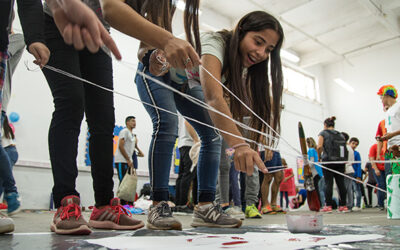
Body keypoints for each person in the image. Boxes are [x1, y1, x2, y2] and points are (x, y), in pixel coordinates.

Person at [42, 0, 144, 235]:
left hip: (97, 32)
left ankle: (105, 205)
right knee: (71, 103)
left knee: (104, 118)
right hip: (56, 20)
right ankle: (66, 202)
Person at [0, 0, 50, 234]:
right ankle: (11, 192)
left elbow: (28, 4)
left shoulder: (13, 41)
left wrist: (35, 38)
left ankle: (10, 192)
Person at [317, 117, 348, 213]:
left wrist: (319, 157)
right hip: (340, 162)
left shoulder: (323, 133)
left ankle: (328, 206)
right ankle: (343, 205)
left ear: (325, 125)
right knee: (341, 184)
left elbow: (319, 147)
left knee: (328, 183)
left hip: (328, 161)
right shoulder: (341, 135)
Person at [115, 116, 144, 205]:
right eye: (132, 121)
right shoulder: (124, 132)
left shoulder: (132, 135)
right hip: (121, 160)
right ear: (127, 122)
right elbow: (120, 146)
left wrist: (140, 151)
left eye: (135, 121)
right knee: (123, 181)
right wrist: (127, 159)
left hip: (129, 161)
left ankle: (128, 203)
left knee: (128, 182)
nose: (134, 123)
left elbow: (133, 147)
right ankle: (121, 203)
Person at [175, 116, 198, 213]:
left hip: (183, 143)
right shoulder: (190, 106)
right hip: (189, 144)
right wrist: (196, 139)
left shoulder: (181, 108)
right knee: (189, 175)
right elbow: (187, 123)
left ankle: (180, 204)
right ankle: (184, 205)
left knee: (183, 175)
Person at [378, 85, 400, 175]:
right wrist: (385, 137)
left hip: (398, 146)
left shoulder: (398, 107)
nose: (381, 100)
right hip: (391, 149)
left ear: (386, 95)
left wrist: (392, 135)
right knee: (394, 178)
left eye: (381, 97)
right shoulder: (388, 111)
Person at [368, 143, 386, 210]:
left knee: (387, 185)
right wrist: (375, 169)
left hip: (386, 168)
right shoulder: (374, 147)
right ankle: (380, 204)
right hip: (378, 169)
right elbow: (372, 158)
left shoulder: (386, 146)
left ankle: (387, 203)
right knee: (381, 185)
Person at [306, 137, 323, 206]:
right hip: (318, 172)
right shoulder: (315, 150)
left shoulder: (311, 150)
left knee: (316, 189)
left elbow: (311, 161)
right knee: (318, 188)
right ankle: (320, 203)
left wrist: (307, 168)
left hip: (315, 172)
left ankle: (319, 204)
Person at [342, 132, 354, 210]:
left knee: (345, 188)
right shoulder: (349, 148)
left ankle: (347, 205)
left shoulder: (344, 147)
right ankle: (349, 204)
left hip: (345, 169)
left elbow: (343, 160)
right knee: (348, 188)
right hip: (349, 169)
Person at [349, 137, 362, 211]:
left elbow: (359, 165)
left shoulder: (357, 154)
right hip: (348, 174)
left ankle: (358, 205)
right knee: (350, 191)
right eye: (353, 143)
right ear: (349, 143)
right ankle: (351, 205)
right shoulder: (347, 153)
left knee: (357, 190)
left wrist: (358, 176)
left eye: (356, 144)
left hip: (355, 175)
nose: (354, 145)